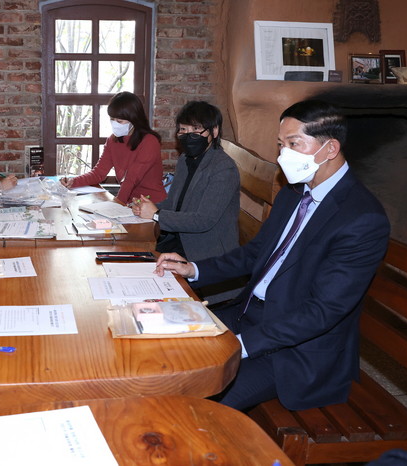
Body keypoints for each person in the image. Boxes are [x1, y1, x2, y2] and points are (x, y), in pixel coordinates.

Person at [155, 100, 390, 411]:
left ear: (330, 148)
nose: (283, 155)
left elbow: (322, 312)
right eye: (281, 144)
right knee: (162, 344)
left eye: (294, 144)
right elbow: (255, 253)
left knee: (196, 401)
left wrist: (240, 345)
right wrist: (194, 269)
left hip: (296, 351)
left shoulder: (362, 218)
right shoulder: (294, 192)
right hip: (248, 315)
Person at [131, 101, 240, 303]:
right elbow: (173, 204)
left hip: (205, 253)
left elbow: (204, 220)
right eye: (183, 130)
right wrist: (148, 208)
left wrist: (156, 215)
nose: (188, 136)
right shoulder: (185, 160)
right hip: (179, 241)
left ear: (214, 131)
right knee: (132, 266)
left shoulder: (224, 168)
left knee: (144, 285)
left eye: (196, 130)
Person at [60, 91, 167, 205]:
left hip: (152, 203)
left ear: (134, 119)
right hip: (130, 203)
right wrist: (73, 181)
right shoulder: (112, 140)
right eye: (112, 119)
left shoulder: (150, 141)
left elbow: (131, 179)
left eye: (119, 121)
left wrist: (117, 204)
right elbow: (98, 173)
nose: (115, 124)